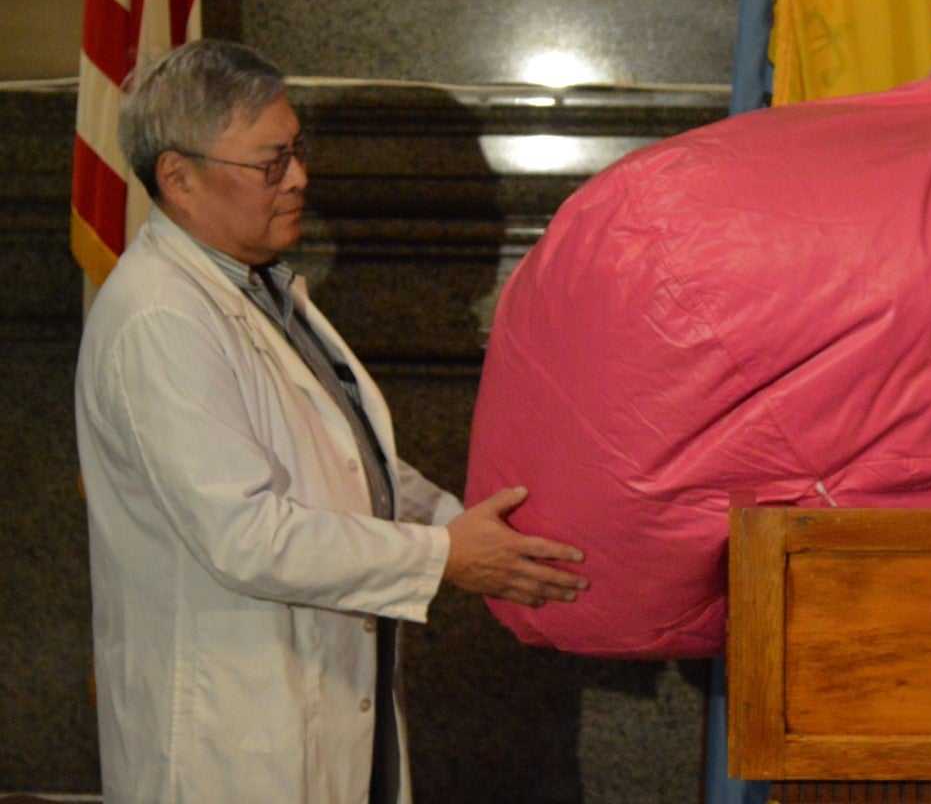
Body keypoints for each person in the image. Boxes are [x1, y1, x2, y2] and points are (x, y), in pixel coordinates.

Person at [75, 39, 589, 804]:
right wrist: (444, 554)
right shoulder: (160, 318)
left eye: (299, 151)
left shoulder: (257, 287)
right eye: (270, 163)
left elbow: (353, 460)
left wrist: (474, 530)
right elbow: (244, 536)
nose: (300, 179)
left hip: (322, 709)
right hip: (236, 740)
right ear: (178, 179)